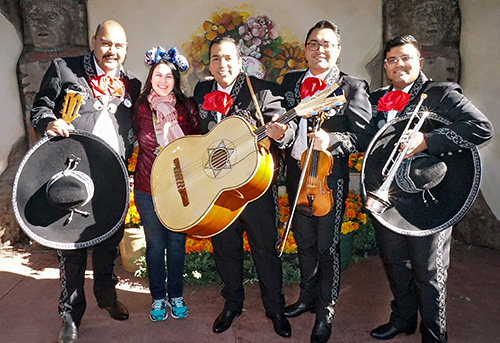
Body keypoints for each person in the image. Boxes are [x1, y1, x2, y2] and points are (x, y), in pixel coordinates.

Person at [366, 35, 493, 343]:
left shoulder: (441, 92)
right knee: (395, 263)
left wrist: (427, 141)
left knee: (428, 273)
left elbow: (481, 128)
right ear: (385, 66)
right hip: (392, 198)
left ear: (420, 62)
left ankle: (434, 335)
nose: (399, 65)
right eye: (392, 59)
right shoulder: (377, 97)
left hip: (430, 199)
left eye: (406, 58)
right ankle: (403, 318)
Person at [30, 20, 141, 343]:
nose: (112, 51)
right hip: (72, 172)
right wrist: (50, 122)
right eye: (106, 43)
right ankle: (70, 314)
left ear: (125, 49)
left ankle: (106, 296)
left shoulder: (130, 83)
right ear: (94, 41)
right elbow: (41, 107)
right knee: (72, 249)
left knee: (108, 241)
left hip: (113, 175)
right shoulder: (65, 70)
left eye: (119, 46)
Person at [192, 36, 294, 338]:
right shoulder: (201, 90)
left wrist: (281, 132)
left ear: (239, 62)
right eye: (215, 58)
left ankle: (275, 309)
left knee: (265, 250)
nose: (222, 64)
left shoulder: (262, 91)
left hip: (255, 188)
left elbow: (283, 130)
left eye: (227, 58)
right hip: (218, 189)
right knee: (225, 249)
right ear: (209, 63)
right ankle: (232, 304)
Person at [280, 20, 374, 343]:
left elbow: (365, 135)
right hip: (297, 174)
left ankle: (326, 309)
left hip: (328, 179)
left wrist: (332, 139)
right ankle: (307, 296)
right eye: (314, 44)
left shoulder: (352, 86)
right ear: (305, 50)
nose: (320, 50)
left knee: (327, 246)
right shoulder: (291, 82)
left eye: (327, 44)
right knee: (303, 241)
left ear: (338, 50)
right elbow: (281, 120)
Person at [133, 46, 199, 322]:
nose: (163, 80)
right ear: (150, 78)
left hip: (180, 189)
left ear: (176, 80)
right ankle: (158, 298)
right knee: (154, 245)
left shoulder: (186, 107)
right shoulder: (139, 109)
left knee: (176, 244)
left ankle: (176, 295)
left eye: (169, 76)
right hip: (148, 189)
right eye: (158, 75)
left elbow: (197, 144)